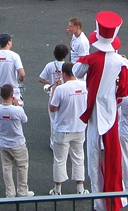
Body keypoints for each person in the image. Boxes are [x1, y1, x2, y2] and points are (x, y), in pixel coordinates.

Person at [73, 11, 128, 211]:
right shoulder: (120, 62)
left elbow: (76, 72)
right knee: (114, 157)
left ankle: (99, 202)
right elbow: (123, 91)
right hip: (111, 111)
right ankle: (117, 198)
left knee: (93, 157)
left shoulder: (90, 59)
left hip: (95, 112)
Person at [48, 62, 88, 195]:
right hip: (80, 127)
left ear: (64, 74)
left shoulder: (61, 89)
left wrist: (54, 89)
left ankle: (58, 190)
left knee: (59, 159)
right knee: (78, 157)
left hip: (63, 129)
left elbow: (53, 108)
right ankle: (80, 189)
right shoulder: (84, 85)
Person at [0, 84, 33, 197]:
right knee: (22, 167)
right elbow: (25, 120)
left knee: (6, 167)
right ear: (11, 95)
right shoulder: (17, 110)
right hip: (17, 143)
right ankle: (22, 191)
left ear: (0, 95)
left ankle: (10, 193)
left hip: (3, 143)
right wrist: (18, 104)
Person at [39, 44, 69, 149]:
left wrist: (50, 81)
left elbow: (40, 79)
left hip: (52, 95)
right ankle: (64, 142)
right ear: (66, 54)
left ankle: (53, 143)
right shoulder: (67, 66)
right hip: (65, 96)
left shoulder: (49, 65)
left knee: (53, 121)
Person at [0, 33, 26, 105]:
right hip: (12, 91)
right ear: (9, 42)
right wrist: (21, 78)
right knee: (16, 113)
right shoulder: (14, 56)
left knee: (0, 113)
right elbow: (22, 73)